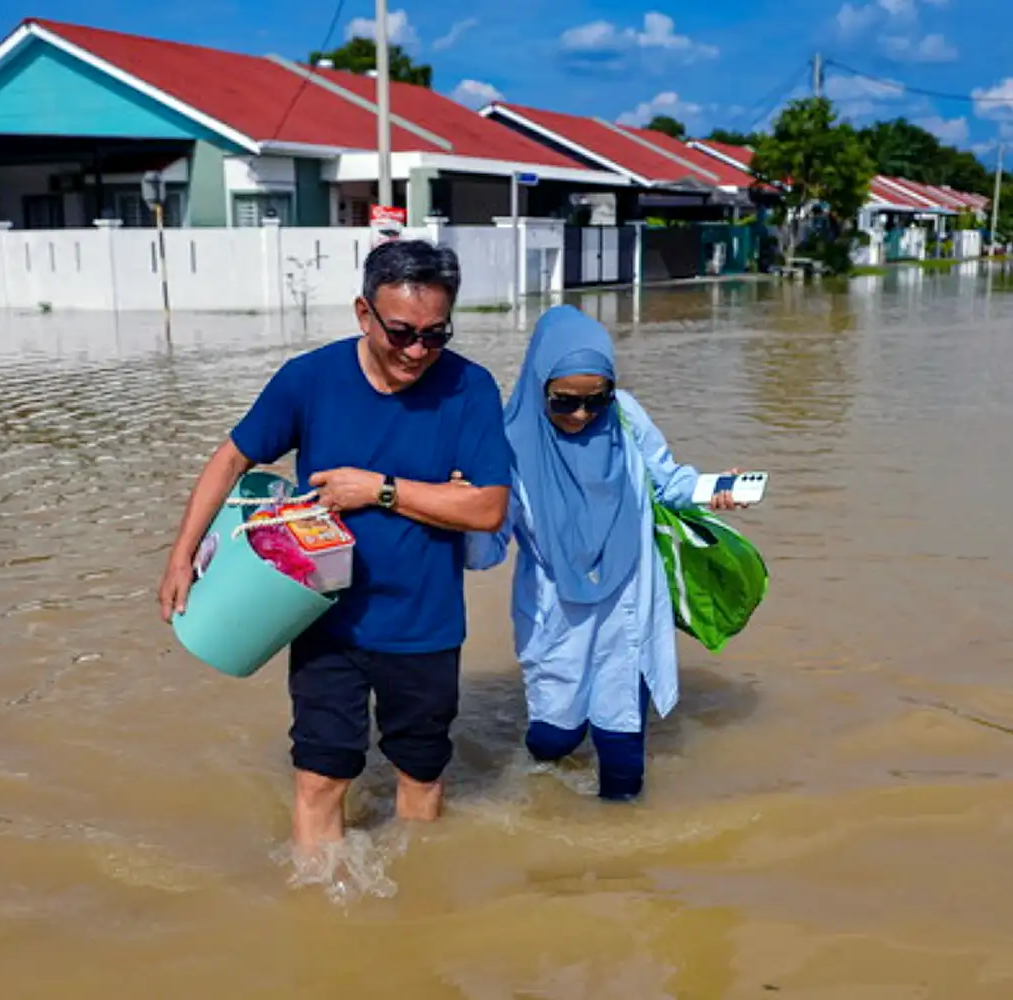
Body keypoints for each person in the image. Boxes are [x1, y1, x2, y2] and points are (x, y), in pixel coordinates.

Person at [157, 239, 512, 858]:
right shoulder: (310, 379)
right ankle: (315, 910)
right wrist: (182, 554)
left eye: (436, 334)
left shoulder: (470, 389)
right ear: (362, 313)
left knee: (420, 777)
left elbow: (488, 507)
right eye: (401, 333)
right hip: (323, 618)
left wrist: (378, 491)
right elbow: (233, 457)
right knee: (322, 775)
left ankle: (416, 912)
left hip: (424, 627)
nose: (419, 352)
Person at [468, 305, 739, 801]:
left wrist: (715, 490)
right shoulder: (506, 448)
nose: (581, 416)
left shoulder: (626, 418)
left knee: (623, 757)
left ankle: (621, 872)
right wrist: (459, 507)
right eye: (564, 402)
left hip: (628, 609)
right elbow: (486, 552)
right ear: (539, 386)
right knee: (556, 739)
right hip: (559, 618)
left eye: (597, 400)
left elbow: (668, 481)